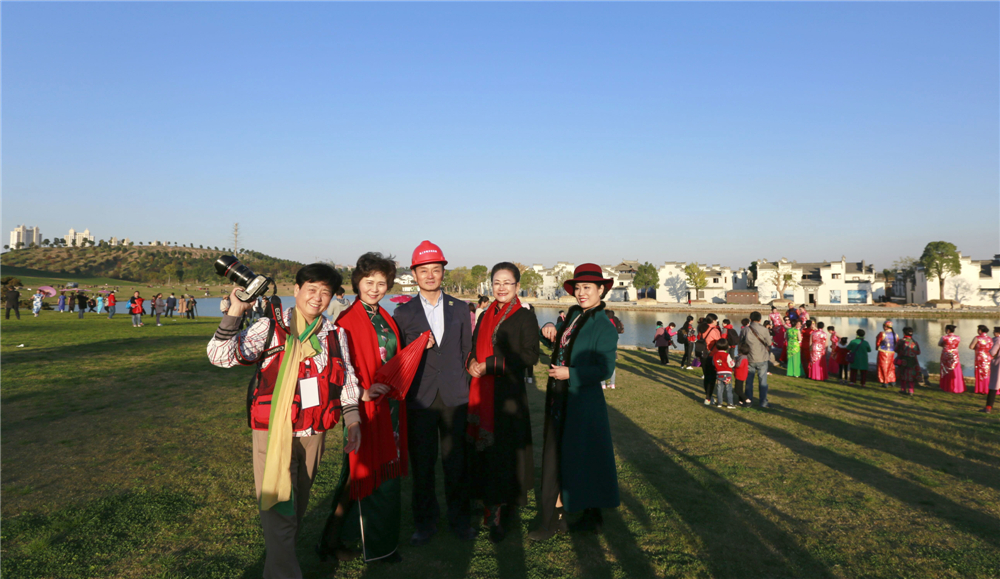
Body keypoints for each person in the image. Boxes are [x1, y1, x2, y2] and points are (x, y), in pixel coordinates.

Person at [208, 263, 361, 579]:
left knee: (295, 511)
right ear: (297, 290)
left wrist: (354, 420)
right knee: (280, 514)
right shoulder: (270, 327)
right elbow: (219, 355)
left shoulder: (335, 334)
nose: (317, 298)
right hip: (273, 433)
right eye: (311, 289)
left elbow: (346, 379)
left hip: (314, 434)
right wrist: (236, 310)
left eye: (325, 292)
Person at [319, 252, 412, 564]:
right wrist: (363, 392)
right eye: (369, 281)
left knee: (372, 475)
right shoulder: (348, 320)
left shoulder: (383, 316)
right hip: (363, 408)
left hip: (390, 410)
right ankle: (368, 544)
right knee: (364, 475)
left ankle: (337, 540)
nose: (375, 288)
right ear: (357, 282)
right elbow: (341, 370)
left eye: (382, 283)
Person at [391, 241, 475, 545]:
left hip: (455, 396)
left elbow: (467, 351)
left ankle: (460, 520)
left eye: (435, 269)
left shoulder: (460, 308)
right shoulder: (403, 313)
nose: (429, 275)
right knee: (423, 465)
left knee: (456, 463)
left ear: (443, 272)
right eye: (423, 270)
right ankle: (424, 523)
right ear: (414, 274)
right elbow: (398, 357)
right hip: (419, 398)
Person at [532, 263, 619, 540]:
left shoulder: (603, 325)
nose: (581, 293)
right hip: (561, 397)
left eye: (587, 288)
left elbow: (604, 368)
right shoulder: (572, 316)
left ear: (601, 290)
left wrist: (571, 374)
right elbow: (562, 346)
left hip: (583, 400)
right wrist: (547, 328)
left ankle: (590, 514)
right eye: (578, 288)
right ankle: (574, 514)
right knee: (569, 453)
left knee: (586, 455)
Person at [465, 262, 538, 544]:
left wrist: (490, 365)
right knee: (483, 451)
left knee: (502, 453)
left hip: (507, 396)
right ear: (490, 285)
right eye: (497, 282)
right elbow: (473, 346)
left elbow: (531, 356)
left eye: (508, 282)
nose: (502, 288)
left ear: (517, 286)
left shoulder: (523, 316)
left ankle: (499, 510)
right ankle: (483, 499)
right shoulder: (485, 315)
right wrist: (471, 361)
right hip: (481, 392)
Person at [742, 311, 773, 407]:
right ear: (760, 319)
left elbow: (741, 343)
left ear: (750, 319)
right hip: (762, 357)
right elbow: (769, 343)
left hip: (749, 358)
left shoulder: (745, 330)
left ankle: (748, 401)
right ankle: (763, 402)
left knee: (749, 381)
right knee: (763, 381)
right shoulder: (764, 330)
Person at [697, 314, 722, 405]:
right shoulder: (714, 330)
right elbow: (719, 343)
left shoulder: (701, 329)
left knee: (706, 376)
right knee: (712, 378)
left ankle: (707, 396)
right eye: (716, 320)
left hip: (703, 355)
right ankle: (708, 398)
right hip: (712, 355)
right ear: (714, 320)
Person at [896, 327, 922, 396]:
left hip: (903, 360)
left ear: (904, 333)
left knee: (902, 375)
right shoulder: (915, 342)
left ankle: (903, 389)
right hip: (913, 361)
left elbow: (896, 349)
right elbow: (918, 352)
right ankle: (911, 390)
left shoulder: (901, 341)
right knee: (911, 376)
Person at [938, 325, 964, 393]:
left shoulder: (944, 337)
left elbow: (939, 344)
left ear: (948, 330)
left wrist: (946, 346)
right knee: (955, 370)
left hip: (946, 355)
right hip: (955, 355)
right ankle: (956, 386)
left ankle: (946, 386)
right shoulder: (958, 337)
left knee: (946, 370)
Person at [981, 327, 1000, 413]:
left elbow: (993, 352)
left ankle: (988, 407)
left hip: (998, 364)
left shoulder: (997, 340)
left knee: (993, 385)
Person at [712, 338, 735, 409]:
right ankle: (730, 403)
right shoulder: (727, 355)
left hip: (719, 374)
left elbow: (713, 363)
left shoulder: (715, 355)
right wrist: (733, 362)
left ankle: (719, 403)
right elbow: (731, 365)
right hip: (727, 374)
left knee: (719, 389)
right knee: (728, 389)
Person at [875, 321, 898, 389]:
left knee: (883, 367)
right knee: (891, 366)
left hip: (883, 352)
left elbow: (878, 343)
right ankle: (892, 381)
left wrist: (877, 348)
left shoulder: (882, 333)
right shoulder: (896, 334)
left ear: (885, 326)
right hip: (892, 352)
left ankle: (885, 382)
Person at [970, 325, 993, 395]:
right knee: (987, 372)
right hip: (988, 357)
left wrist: (978, 349)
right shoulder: (990, 338)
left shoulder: (977, 338)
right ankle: (987, 387)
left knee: (980, 373)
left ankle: (980, 389)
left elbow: (971, 347)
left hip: (980, 357)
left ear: (980, 330)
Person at [733, 341, 750, 407]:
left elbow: (738, 365)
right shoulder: (744, 357)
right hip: (741, 375)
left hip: (740, 375)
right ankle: (740, 401)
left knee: (737, 390)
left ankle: (747, 400)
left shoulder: (742, 358)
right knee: (740, 389)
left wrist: (734, 363)